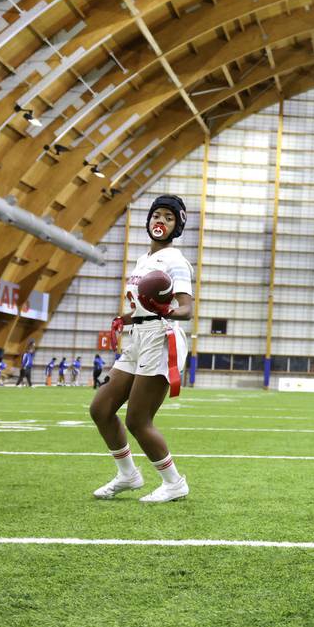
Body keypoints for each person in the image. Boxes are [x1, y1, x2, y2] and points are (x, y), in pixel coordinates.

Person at [89, 194, 196, 503]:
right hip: (137, 337)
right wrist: (126, 317)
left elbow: (187, 309)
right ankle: (128, 474)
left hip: (160, 339)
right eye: (156, 215)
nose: (160, 221)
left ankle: (174, 482)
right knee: (101, 409)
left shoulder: (175, 260)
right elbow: (144, 304)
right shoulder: (143, 259)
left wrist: (163, 311)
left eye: (168, 217)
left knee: (137, 419)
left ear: (176, 227)